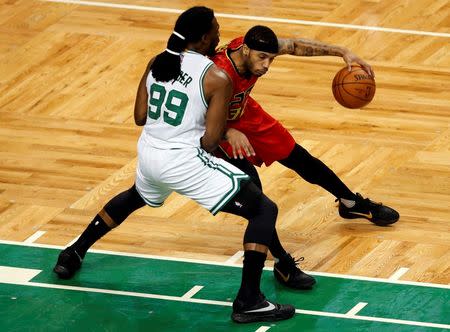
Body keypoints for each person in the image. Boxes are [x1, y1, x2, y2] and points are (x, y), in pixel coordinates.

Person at [53, 7, 302, 324]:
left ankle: (73, 251)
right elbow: (211, 142)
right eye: (216, 29)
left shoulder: (159, 60)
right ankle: (249, 300)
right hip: (182, 161)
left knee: (135, 197)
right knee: (263, 210)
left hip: (149, 153)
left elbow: (140, 117)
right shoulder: (217, 77)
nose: (220, 33)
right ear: (203, 38)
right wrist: (215, 139)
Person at [211, 26, 400, 231]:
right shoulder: (218, 74)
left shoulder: (252, 46)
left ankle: (350, 204)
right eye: (262, 57)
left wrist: (342, 51)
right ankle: (277, 256)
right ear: (246, 50)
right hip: (216, 125)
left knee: (300, 158)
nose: (266, 66)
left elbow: (294, 45)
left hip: (244, 112)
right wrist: (228, 133)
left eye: (271, 59)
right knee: (255, 192)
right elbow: (196, 117)